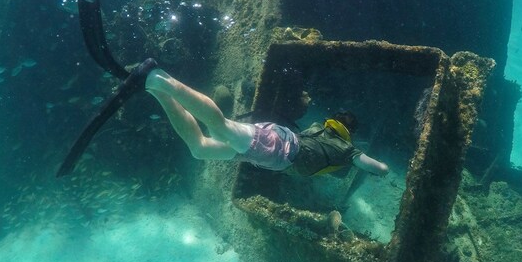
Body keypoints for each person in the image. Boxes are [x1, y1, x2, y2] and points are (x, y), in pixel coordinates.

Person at [140, 61, 390, 177]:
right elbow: (379, 167)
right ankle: (165, 81)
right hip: (276, 149)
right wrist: (382, 170)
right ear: (349, 132)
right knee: (222, 126)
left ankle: (159, 93)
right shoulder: (347, 150)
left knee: (199, 148)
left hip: (272, 151)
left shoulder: (322, 130)